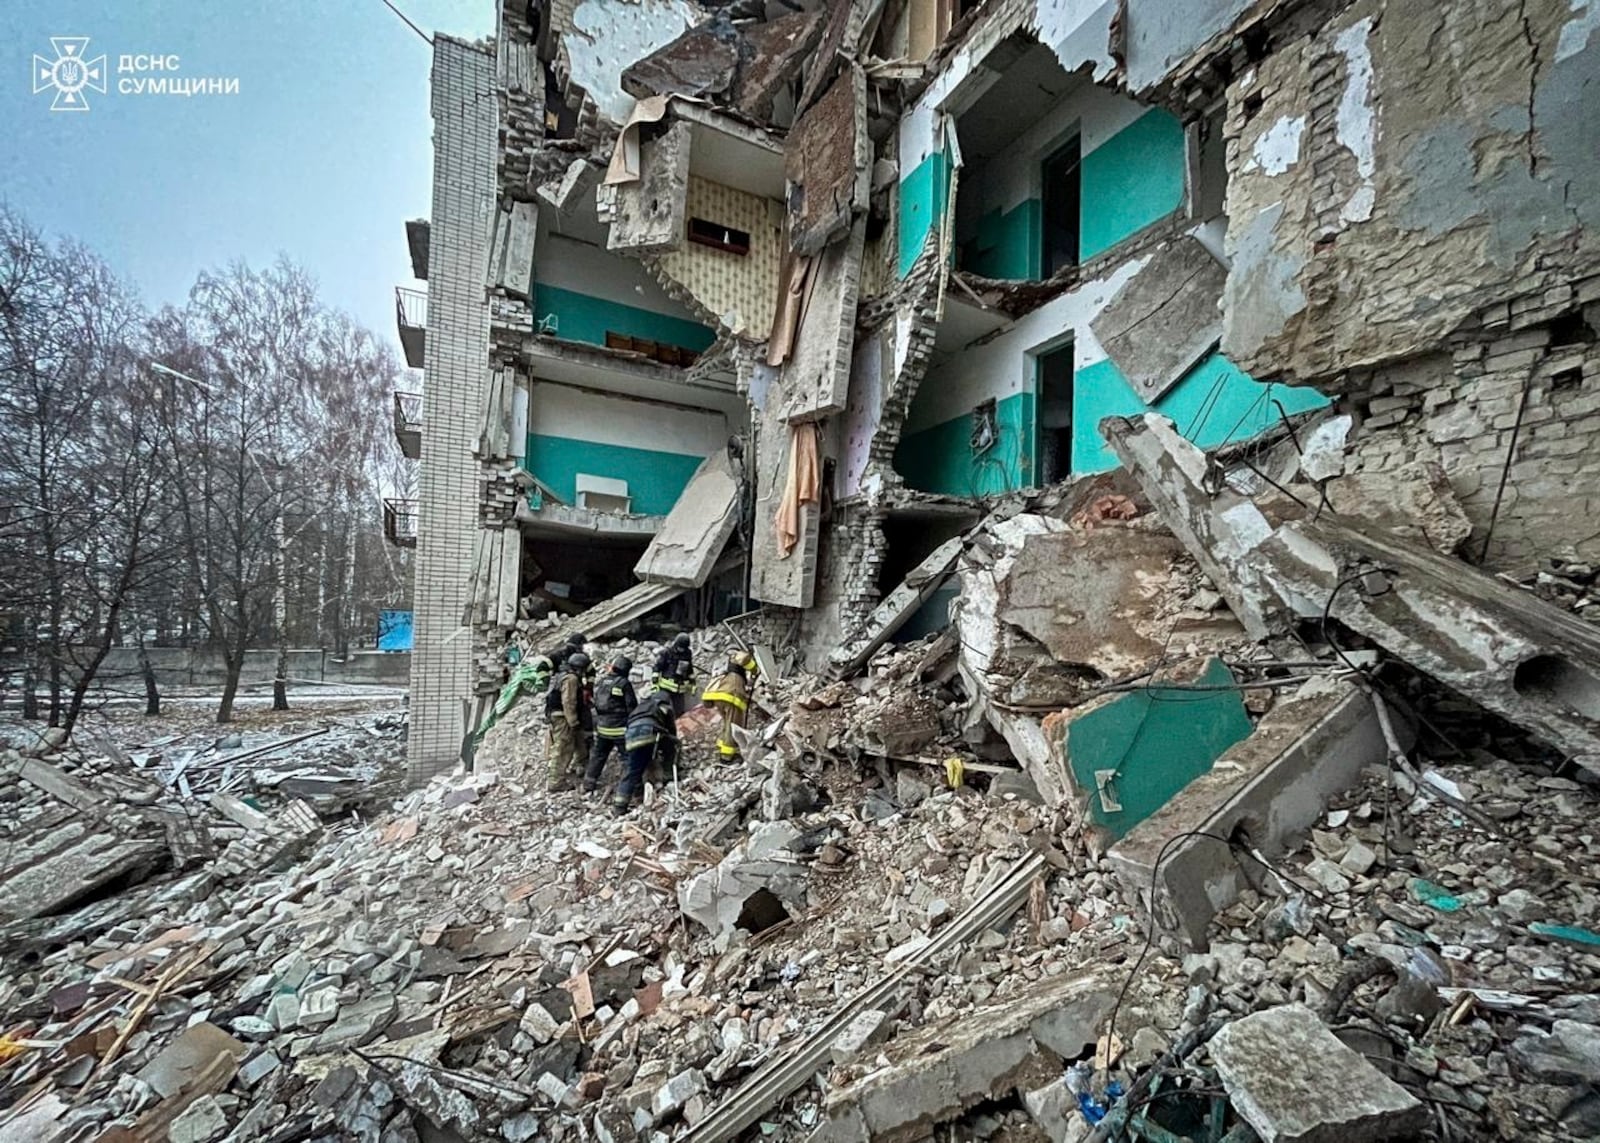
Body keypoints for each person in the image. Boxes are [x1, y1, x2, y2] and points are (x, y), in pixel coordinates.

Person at [613, 690, 678, 814]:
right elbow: (671, 729)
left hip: (630, 738)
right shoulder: (663, 706)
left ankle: (620, 805)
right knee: (669, 747)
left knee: (633, 769)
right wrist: (674, 742)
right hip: (649, 732)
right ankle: (668, 776)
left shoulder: (640, 708)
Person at [582, 655, 636, 794]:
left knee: (598, 755)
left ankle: (588, 783)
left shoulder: (603, 681)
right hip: (619, 729)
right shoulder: (624, 683)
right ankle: (634, 788)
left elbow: (596, 702)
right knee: (628, 758)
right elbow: (631, 706)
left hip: (602, 728)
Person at [545, 652, 591, 792]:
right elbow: (568, 701)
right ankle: (555, 782)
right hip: (562, 717)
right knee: (563, 747)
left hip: (558, 715)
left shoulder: (562, 675)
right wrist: (573, 721)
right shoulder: (571, 679)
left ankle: (578, 766)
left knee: (578, 742)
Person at [702, 650, 755, 762]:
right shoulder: (739, 656)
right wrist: (755, 669)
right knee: (733, 726)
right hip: (731, 695)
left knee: (727, 723)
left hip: (719, 696)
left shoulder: (726, 664)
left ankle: (723, 746)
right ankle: (727, 756)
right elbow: (745, 658)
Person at [652, 633, 694, 718]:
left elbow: (689, 669)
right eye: (680, 647)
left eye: (683, 648)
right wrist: (655, 683)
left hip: (679, 689)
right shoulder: (667, 652)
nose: (681, 650)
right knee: (662, 709)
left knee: (680, 712)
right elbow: (657, 667)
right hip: (665, 687)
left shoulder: (687, 653)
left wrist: (692, 682)